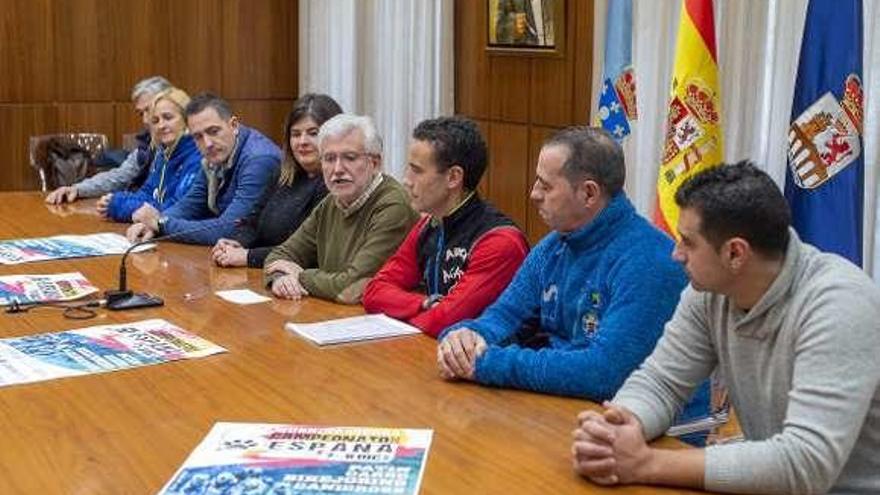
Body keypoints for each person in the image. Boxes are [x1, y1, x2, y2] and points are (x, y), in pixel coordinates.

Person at [572, 161, 880, 494]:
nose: (676, 255)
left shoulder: (840, 305)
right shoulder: (710, 291)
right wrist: (620, 426)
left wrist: (645, 463)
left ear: (735, 253)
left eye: (688, 243)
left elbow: (804, 463)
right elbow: (661, 382)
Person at [436, 127, 708, 418]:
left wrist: (484, 362)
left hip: (646, 431)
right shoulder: (554, 245)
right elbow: (503, 317)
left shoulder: (650, 261)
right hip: (564, 407)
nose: (533, 194)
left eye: (546, 185)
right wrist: (463, 338)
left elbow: (601, 372)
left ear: (588, 193)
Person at [362, 116, 529, 337]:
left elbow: (445, 320)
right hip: (432, 351)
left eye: (417, 171)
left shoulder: (499, 242)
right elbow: (374, 292)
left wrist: (415, 310)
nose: (406, 180)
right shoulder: (428, 224)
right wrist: (425, 303)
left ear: (453, 177)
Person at [263, 114, 418, 304]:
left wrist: (300, 276)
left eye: (349, 158)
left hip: (382, 325)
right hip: (334, 316)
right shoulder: (332, 201)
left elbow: (351, 288)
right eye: (329, 159)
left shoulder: (393, 206)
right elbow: (280, 255)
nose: (337, 169)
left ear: (375, 163)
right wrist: (281, 279)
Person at [126, 93, 281, 245]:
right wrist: (152, 224)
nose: (207, 143)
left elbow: (228, 230)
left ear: (233, 125)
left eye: (213, 131)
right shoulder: (216, 155)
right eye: (198, 136)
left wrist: (161, 224)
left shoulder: (259, 160)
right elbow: (191, 204)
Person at [211, 94, 341, 268]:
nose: (302, 142)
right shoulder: (283, 174)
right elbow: (251, 221)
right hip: (263, 274)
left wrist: (248, 256)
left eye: (313, 133)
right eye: (295, 134)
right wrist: (234, 243)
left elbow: (310, 251)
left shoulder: (336, 185)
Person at [45, 76, 172, 204]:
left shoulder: (185, 146)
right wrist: (77, 189)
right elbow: (120, 176)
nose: (145, 120)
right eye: (141, 113)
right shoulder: (148, 145)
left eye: (148, 110)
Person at [99, 88, 202, 223]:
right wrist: (114, 199)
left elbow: (175, 209)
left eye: (168, 117)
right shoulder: (163, 154)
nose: (161, 125)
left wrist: (118, 206)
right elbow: (147, 193)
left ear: (187, 118)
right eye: (155, 121)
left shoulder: (198, 156)